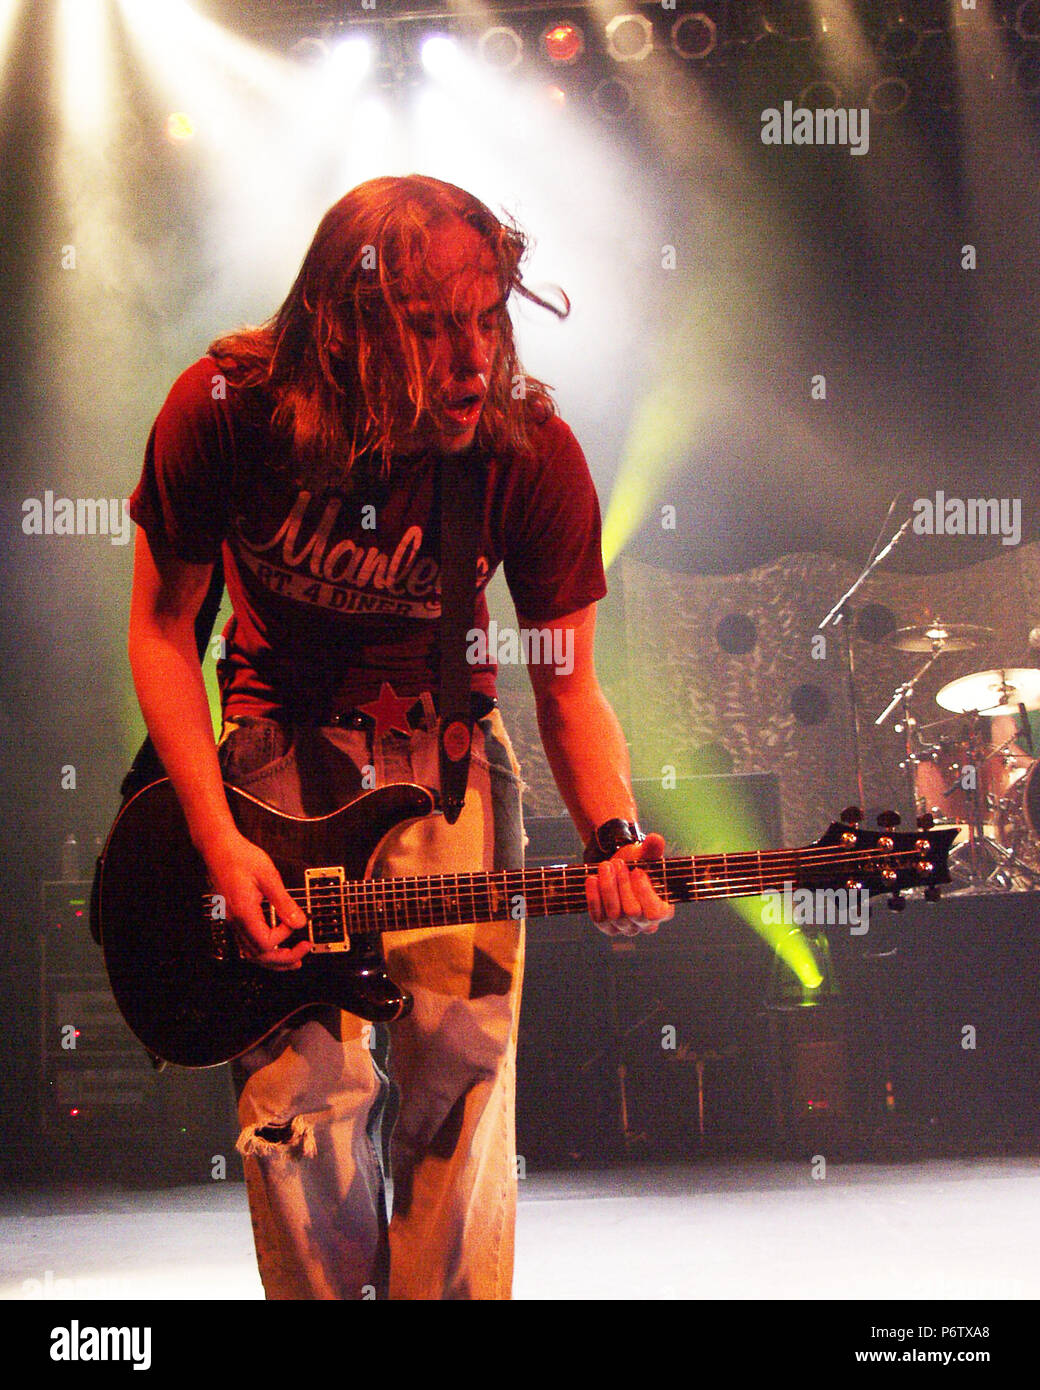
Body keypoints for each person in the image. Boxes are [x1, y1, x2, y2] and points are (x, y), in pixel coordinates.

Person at [127, 175, 673, 1300]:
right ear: (341, 324)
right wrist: (220, 843)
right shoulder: (225, 412)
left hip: (446, 767)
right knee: (302, 1113)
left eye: (486, 320)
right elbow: (161, 628)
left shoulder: (528, 452)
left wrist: (614, 830)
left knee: (459, 1107)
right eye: (428, 329)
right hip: (272, 773)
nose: (471, 359)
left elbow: (567, 688)